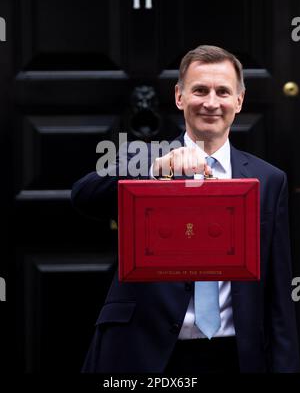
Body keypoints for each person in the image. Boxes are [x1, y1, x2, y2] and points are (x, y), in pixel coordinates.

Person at [71, 45, 300, 373]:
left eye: (222, 91)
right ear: (179, 96)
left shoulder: (270, 179)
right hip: (144, 352)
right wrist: (157, 168)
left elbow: (279, 296)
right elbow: (83, 195)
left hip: (235, 353)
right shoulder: (143, 158)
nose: (210, 102)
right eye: (199, 90)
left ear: (239, 100)